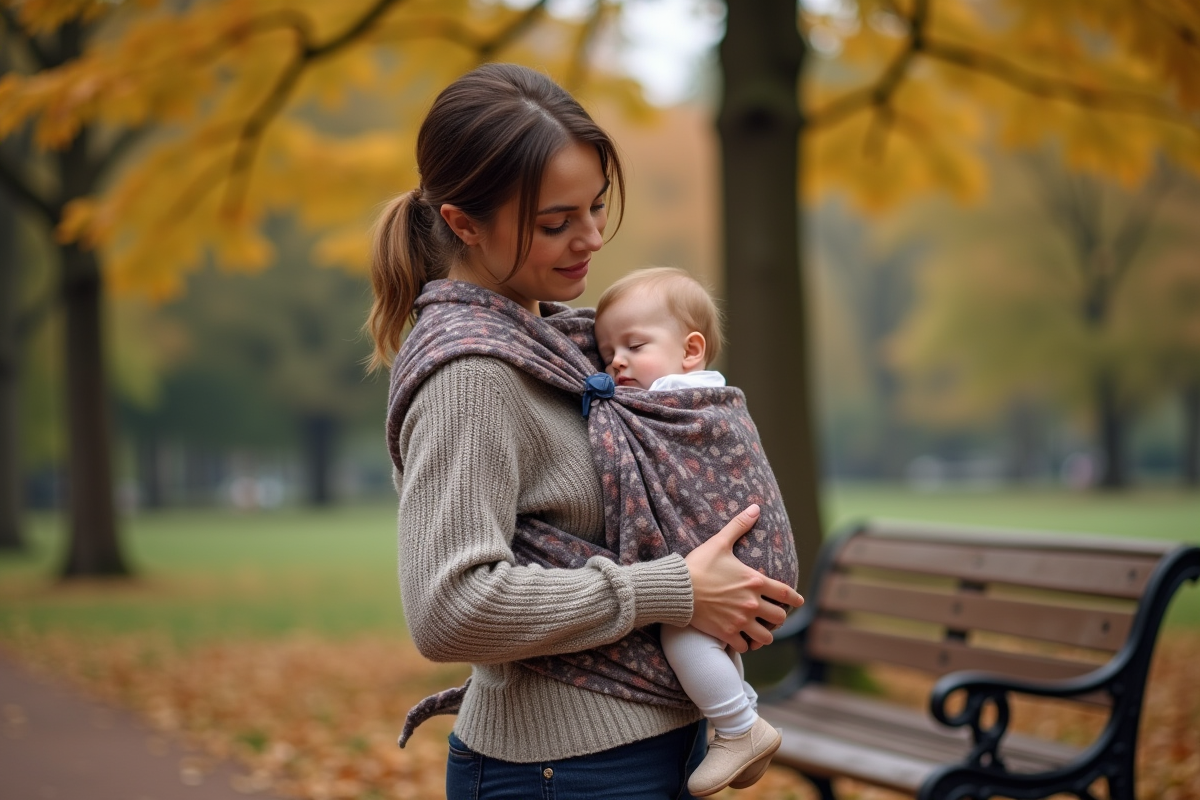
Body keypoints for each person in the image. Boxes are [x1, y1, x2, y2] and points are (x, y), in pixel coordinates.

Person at [367, 63, 803, 800]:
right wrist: (674, 589)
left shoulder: (565, 347)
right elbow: (450, 610)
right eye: (555, 224)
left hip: (642, 749)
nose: (592, 238)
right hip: (562, 773)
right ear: (462, 224)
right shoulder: (472, 376)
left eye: (596, 208)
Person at [594, 267, 784, 796]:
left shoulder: (678, 402)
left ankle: (739, 728)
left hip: (734, 554)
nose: (616, 363)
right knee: (710, 634)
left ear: (690, 350)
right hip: (741, 557)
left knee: (682, 629)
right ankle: (743, 719)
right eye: (608, 351)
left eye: (635, 345)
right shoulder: (698, 391)